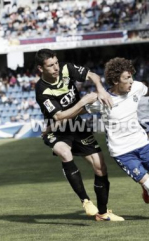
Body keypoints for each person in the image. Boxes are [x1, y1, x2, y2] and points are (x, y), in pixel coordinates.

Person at [34, 49, 123, 221]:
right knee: (64, 152)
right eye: (50, 66)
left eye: (56, 63)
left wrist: (100, 90)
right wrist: (84, 102)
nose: (56, 68)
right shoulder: (41, 89)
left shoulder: (66, 69)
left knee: (100, 166)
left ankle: (103, 213)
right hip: (57, 129)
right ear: (40, 68)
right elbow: (60, 116)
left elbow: (94, 76)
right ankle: (85, 201)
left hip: (77, 126)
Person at [86, 57, 149, 221]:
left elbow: (146, 90)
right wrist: (58, 120)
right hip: (122, 152)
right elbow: (80, 109)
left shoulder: (136, 87)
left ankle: (146, 187)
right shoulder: (102, 99)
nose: (131, 81)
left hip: (143, 145)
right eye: (126, 78)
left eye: (131, 77)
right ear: (116, 80)